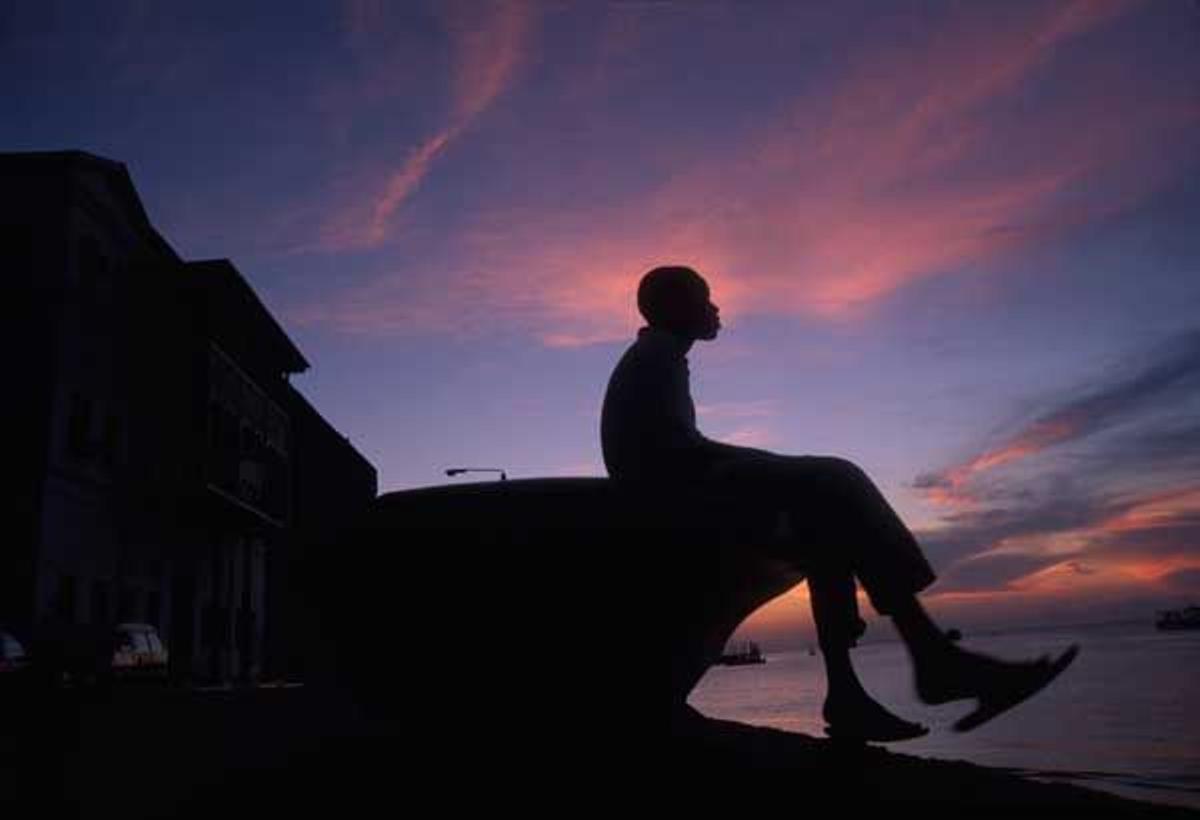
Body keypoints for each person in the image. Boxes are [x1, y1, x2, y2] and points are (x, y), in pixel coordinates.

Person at [600, 265, 1078, 742]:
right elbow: (673, 455)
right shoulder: (654, 357)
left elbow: (678, 449)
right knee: (835, 477)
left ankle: (858, 692)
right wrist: (776, 466)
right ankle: (932, 660)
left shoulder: (660, 357)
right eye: (705, 298)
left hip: (677, 495)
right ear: (675, 307)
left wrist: (771, 467)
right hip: (671, 503)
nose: (716, 307)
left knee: (824, 527)